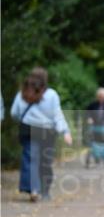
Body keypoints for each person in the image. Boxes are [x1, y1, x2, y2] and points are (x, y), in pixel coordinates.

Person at [11, 67, 73, 201]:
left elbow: (14, 113)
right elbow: (57, 115)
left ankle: (33, 188)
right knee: (45, 161)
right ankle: (44, 190)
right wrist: (65, 131)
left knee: (30, 158)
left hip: (27, 129)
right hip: (46, 131)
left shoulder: (22, 93)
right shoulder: (51, 94)